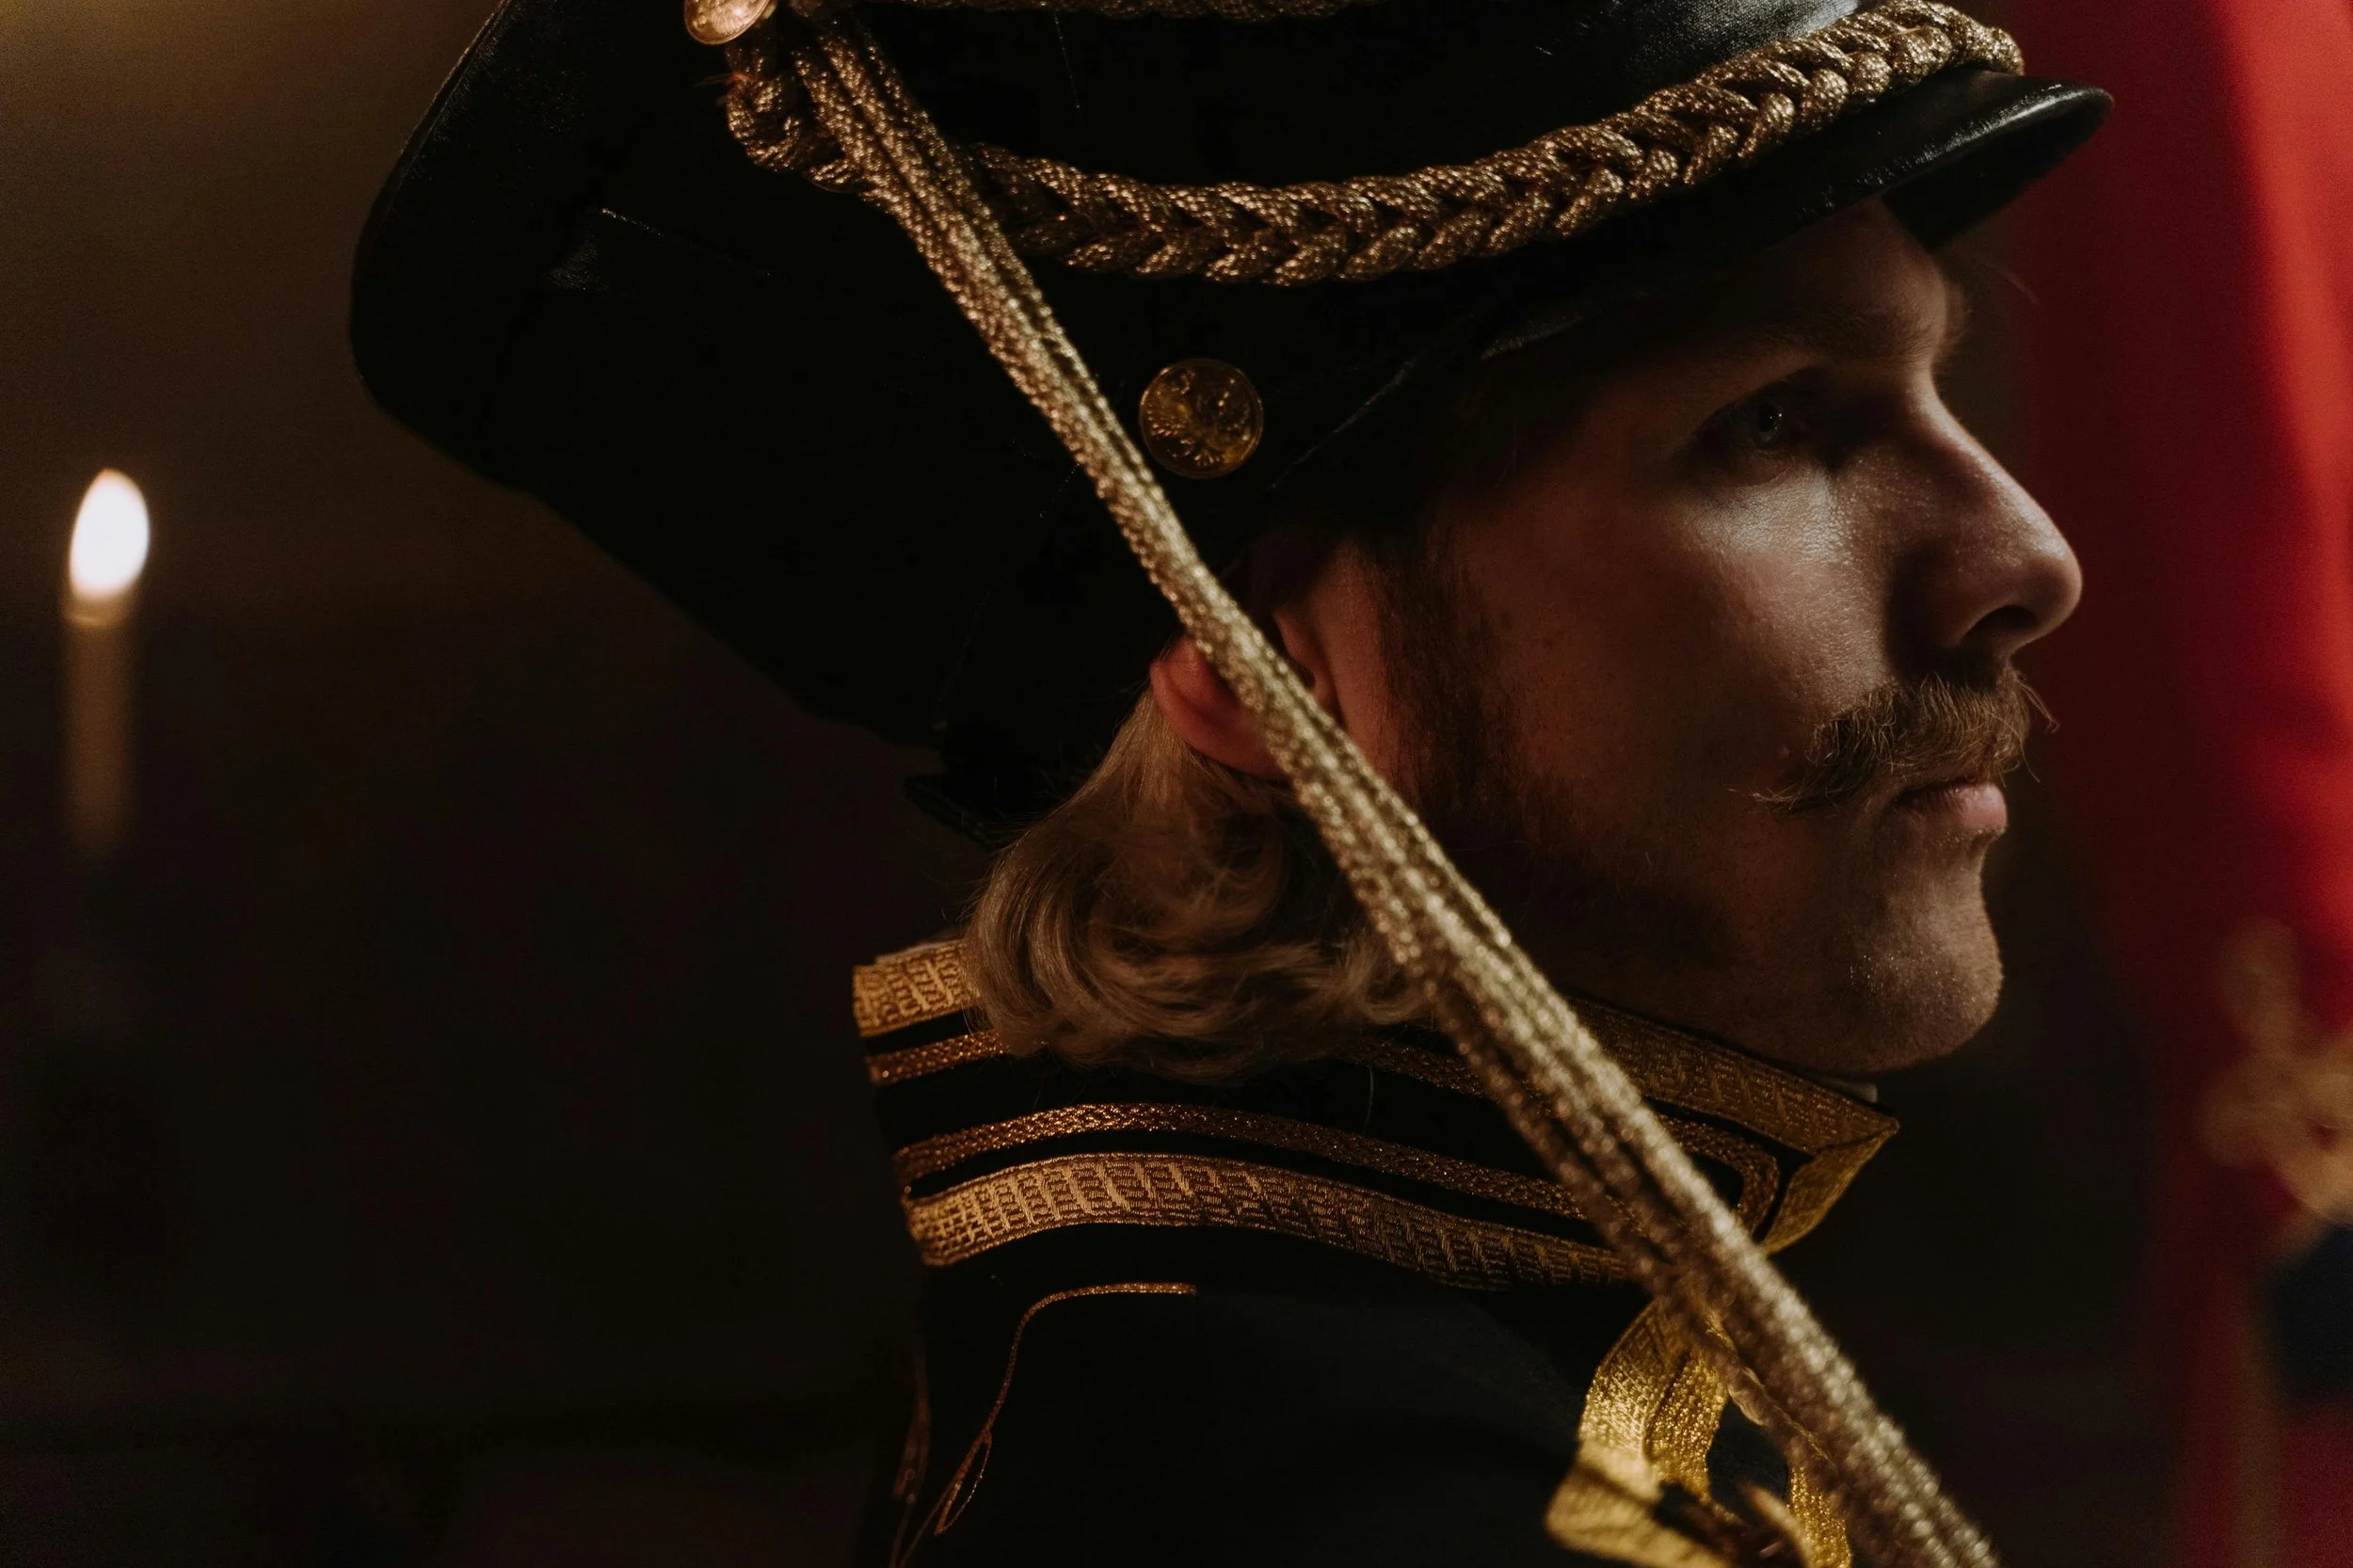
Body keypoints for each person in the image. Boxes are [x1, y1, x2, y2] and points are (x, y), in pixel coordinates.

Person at [351, 1, 2108, 1561]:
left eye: (1936, 378)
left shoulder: (1378, 1368)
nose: (2023, 557)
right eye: (1777, 423)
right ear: (1256, 674)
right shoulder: (1326, 1501)